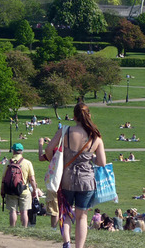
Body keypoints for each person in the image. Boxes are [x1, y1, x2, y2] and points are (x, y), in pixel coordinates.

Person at [45, 102, 106, 248]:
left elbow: (48, 150)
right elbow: (102, 162)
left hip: (67, 179)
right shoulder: (96, 137)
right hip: (87, 181)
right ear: (88, 115)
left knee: (65, 212)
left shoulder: (64, 132)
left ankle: (66, 242)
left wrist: (54, 159)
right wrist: (89, 157)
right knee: (82, 216)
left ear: (74, 116)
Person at [3, 143, 38, 228]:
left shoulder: (8, 162)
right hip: (24, 190)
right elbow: (32, 179)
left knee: (13, 211)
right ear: (22, 151)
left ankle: (12, 228)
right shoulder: (27, 163)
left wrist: (2, 190)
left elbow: (4, 179)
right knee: (24, 211)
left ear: (13, 151)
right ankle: (24, 228)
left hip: (11, 190)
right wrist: (34, 190)